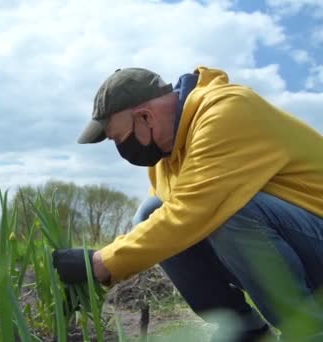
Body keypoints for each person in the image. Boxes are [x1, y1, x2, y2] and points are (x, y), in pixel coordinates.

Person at [51, 66, 323, 341]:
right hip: (297, 245)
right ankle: (243, 328)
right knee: (150, 214)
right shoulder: (168, 158)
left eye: (120, 139)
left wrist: (100, 262)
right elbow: (164, 223)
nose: (122, 149)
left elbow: (194, 211)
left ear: (145, 116)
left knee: (227, 210)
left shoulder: (227, 111)